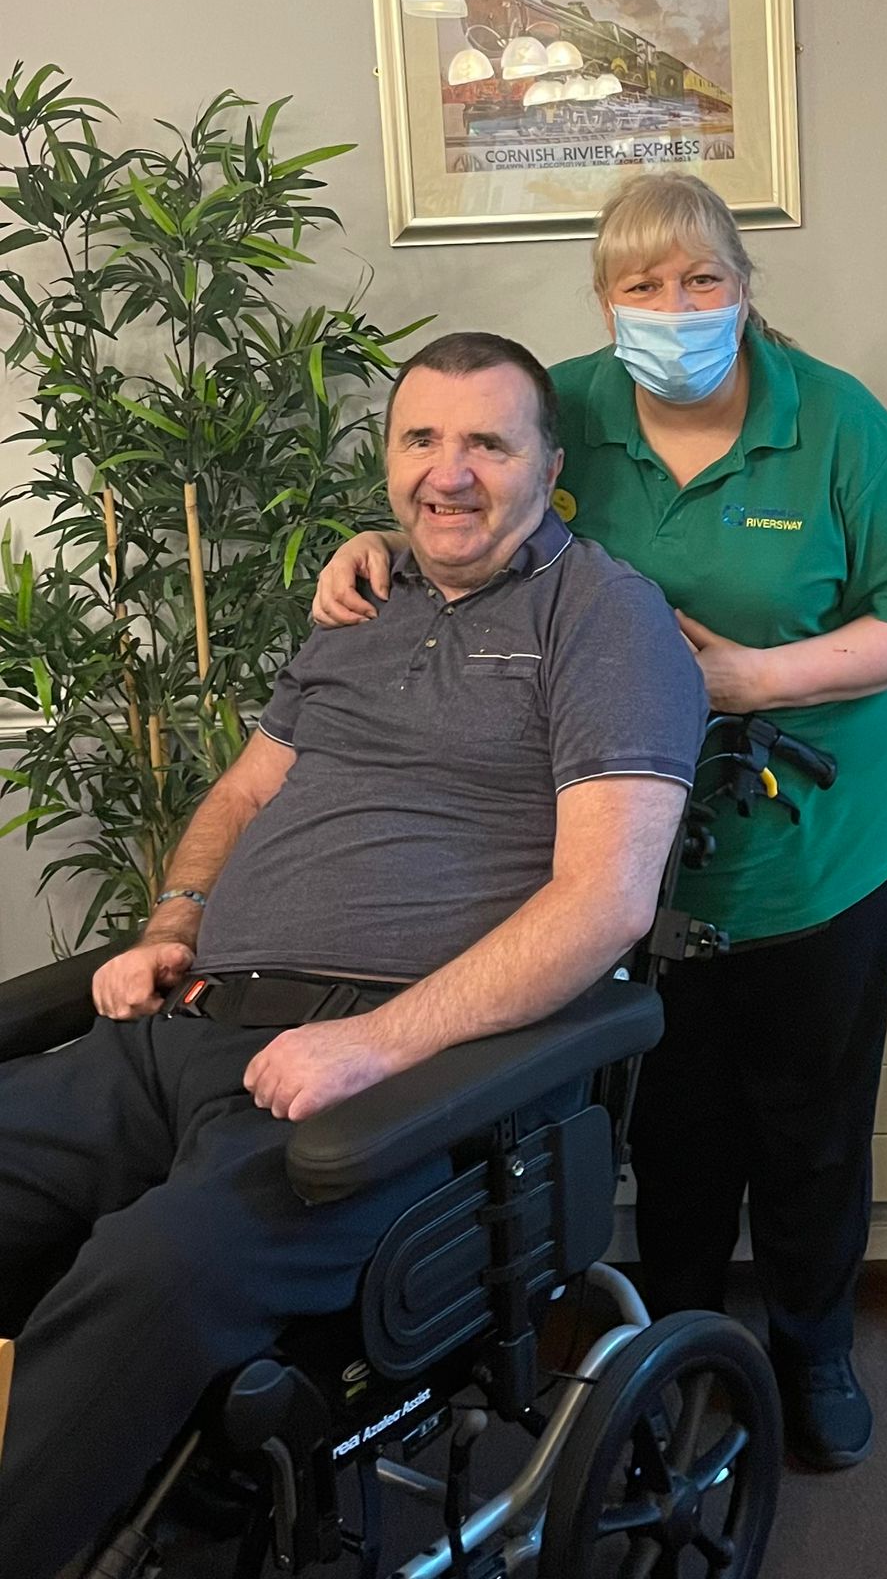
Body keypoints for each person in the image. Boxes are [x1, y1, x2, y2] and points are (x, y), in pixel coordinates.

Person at [0, 331, 705, 1579]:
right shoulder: (358, 610)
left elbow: (606, 902)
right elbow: (241, 793)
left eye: (487, 442)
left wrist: (372, 1044)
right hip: (195, 1020)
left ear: (551, 467)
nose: (449, 470)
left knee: (154, 1266)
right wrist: (172, 922)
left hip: (395, 1074)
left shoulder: (605, 616)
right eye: (421, 438)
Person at [313, 175, 887, 1473]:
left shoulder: (836, 425)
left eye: (700, 279)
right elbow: (464, 505)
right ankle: (668, 1350)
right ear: (604, 301)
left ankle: (813, 1346)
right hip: (616, 855)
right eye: (642, 285)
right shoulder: (564, 409)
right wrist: (372, 546)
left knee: (810, 1125)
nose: (674, 307)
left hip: (816, 848)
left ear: (744, 288)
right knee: (668, 1127)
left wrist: (752, 679)